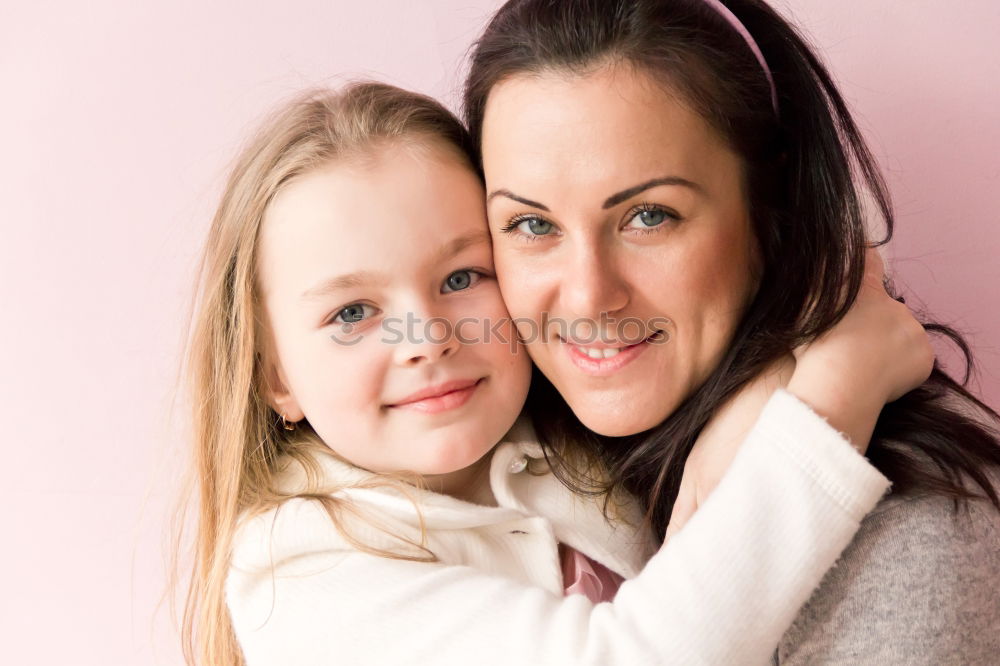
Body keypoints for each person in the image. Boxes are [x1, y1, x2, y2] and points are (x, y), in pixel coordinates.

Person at [177, 81, 931, 665]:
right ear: (274, 376)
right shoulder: (298, 573)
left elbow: (823, 225)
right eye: (350, 313)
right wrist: (832, 392)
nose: (428, 337)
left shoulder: (559, 430)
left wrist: (761, 390)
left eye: (464, 275)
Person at [464, 0, 1000, 662]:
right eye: (532, 225)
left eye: (650, 216)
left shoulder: (911, 525)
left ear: (767, 210)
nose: (587, 297)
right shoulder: (471, 448)